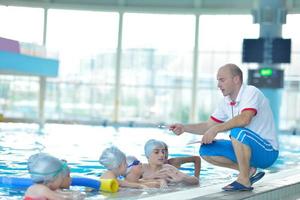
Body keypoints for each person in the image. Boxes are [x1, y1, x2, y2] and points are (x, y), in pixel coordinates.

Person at [169, 63, 279, 191]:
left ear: (236, 79)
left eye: (222, 80)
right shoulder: (225, 102)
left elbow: (245, 118)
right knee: (206, 150)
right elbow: (208, 125)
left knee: (237, 132)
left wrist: (216, 129)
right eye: (218, 81)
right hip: (246, 148)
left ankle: (244, 180)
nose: (218, 85)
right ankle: (247, 170)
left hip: (267, 151)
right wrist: (184, 128)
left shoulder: (251, 92)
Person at [126, 139, 199, 185]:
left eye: (163, 152)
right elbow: (128, 182)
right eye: (156, 152)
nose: (162, 155)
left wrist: (183, 179)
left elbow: (195, 180)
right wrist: (150, 177)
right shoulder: (142, 168)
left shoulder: (168, 168)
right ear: (147, 155)